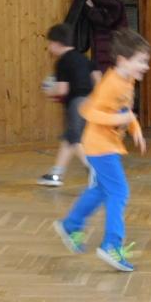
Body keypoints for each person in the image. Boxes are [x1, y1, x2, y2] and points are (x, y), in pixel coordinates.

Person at [53, 28, 149, 272]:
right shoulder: (111, 83)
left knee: (101, 191)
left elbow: (125, 111)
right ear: (123, 61)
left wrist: (135, 128)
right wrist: (120, 120)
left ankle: (71, 225)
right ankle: (111, 245)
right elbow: (88, 111)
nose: (145, 66)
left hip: (107, 145)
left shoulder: (128, 80)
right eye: (141, 61)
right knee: (119, 192)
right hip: (99, 145)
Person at [37, 23, 100, 188]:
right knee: (70, 138)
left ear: (57, 43)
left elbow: (62, 90)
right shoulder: (83, 58)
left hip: (76, 103)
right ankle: (56, 174)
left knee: (73, 138)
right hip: (91, 102)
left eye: (50, 44)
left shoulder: (63, 62)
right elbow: (98, 78)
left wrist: (48, 90)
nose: (49, 48)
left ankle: (93, 168)